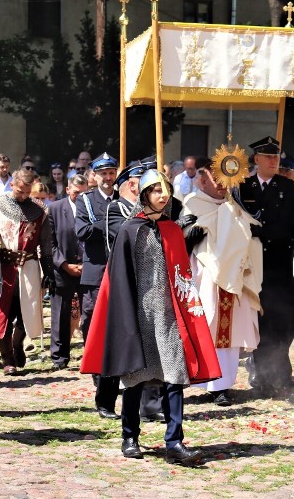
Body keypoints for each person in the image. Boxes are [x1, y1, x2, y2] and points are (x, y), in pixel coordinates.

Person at [80, 169, 221, 465]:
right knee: (135, 378)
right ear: (144, 195)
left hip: (169, 315)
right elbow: (118, 279)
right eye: (156, 190)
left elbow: (182, 273)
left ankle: (174, 442)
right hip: (138, 314)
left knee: (174, 377)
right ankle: (130, 437)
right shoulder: (130, 230)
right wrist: (126, 317)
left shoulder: (171, 229)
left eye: (166, 190)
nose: (163, 195)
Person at [181, 157, 261, 407]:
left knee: (229, 332)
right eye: (215, 180)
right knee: (207, 326)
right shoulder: (192, 204)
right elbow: (181, 242)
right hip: (205, 277)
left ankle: (223, 385)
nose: (221, 185)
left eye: (225, 180)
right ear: (202, 181)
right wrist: (190, 233)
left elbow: (249, 237)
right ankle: (204, 378)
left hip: (233, 278)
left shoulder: (234, 207)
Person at [239, 136, 294, 392]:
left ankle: (280, 373)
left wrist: (259, 230)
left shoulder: (286, 187)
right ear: (256, 160)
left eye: (276, 157)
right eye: (268, 157)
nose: (274, 161)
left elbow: (285, 226)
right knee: (258, 320)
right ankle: (261, 374)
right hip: (253, 264)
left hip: (278, 263)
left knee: (280, 319)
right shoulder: (244, 186)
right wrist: (257, 230)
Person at [0, 169, 54, 375]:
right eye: (21, 191)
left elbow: (45, 244)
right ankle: (7, 360)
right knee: (2, 314)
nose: (24, 196)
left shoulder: (39, 211)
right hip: (2, 267)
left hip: (29, 268)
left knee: (26, 313)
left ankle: (17, 344)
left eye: (27, 192)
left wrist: (48, 270)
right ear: (12, 184)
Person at [75, 152, 121, 418]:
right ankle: (96, 368)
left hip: (119, 271)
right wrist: (110, 225)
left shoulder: (122, 199)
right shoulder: (86, 200)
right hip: (95, 271)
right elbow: (82, 231)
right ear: (94, 175)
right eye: (103, 173)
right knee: (92, 322)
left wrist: (101, 226)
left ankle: (112, 377)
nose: (107, 177)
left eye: (111, 172)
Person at [48, 174, 88, 370]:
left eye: (84, 192)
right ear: (68, 190)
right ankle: (59, 357)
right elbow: (50, 243)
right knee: (61, 315)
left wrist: (86, 265)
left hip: (87, 269)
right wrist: (64, 264)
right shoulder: (55, 209)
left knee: (88, 313)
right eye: (76, 193)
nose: (80, 196)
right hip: (62, 270)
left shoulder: (92, 207)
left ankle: (91, 355)